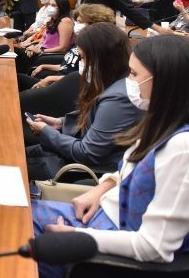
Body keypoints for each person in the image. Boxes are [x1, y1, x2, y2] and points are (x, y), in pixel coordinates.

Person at [32, 35, 189, 278]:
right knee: (14, 214)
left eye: (135, 75)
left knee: (10, 234)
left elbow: (154, 247)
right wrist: (102, 187)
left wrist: (78, 238)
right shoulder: (159, 121)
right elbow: (129, 168)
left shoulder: (182, 149)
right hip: (99, 217)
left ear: (164, 83)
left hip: (106, 244)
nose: (129, 82)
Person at [24, 23, 143, 181]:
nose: (80, 63)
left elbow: (88, 153)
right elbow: (95, 117)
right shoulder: (109, 81)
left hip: (83, 169)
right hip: (71, 154)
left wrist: (47, 131)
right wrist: (60, 123)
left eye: (82, 57)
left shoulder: (119, 98)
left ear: (102, 58)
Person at [15, 0, 74, 74]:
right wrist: (34, 47)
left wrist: (41, 51)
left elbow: (63, 48)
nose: (49, 7)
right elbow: (43, 39)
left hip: (49, 54)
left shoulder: (65, 21)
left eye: (53, 5)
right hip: (42, 51)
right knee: (15, 50)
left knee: (16, 52)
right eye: (49, 4)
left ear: (61, 7)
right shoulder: (51, 20)